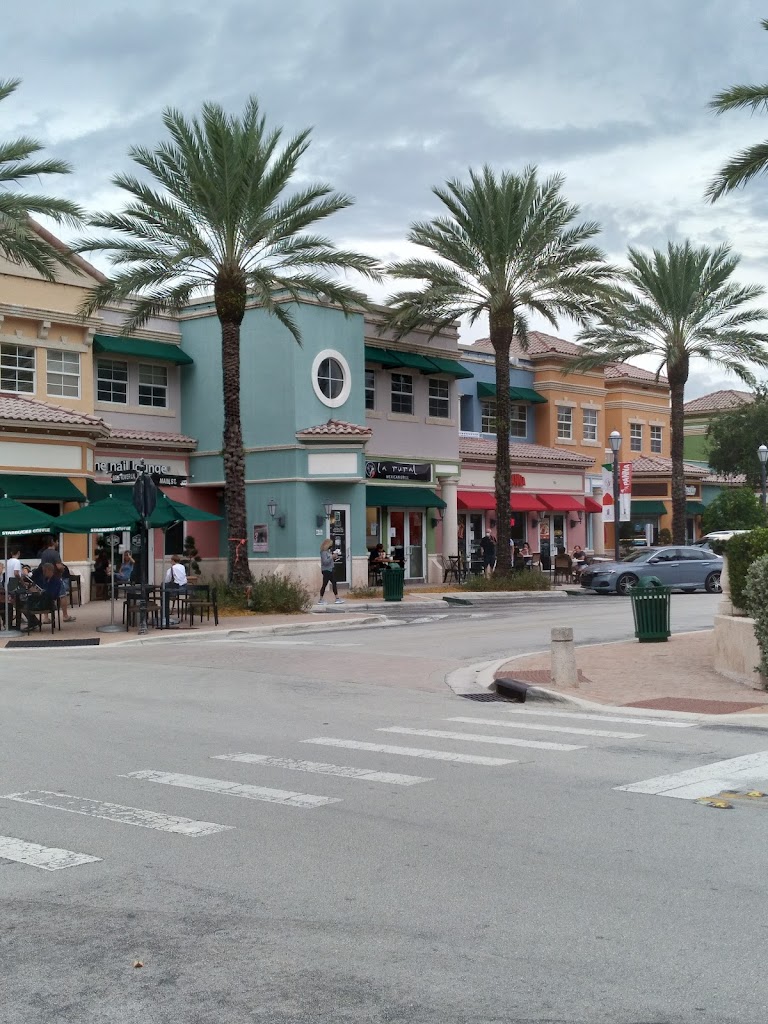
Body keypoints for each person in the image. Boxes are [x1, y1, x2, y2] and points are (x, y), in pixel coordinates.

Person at [37, 537, 76, 621]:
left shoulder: (44, 553)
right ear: (53, 542)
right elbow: (59, 566)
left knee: (46, 596)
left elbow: (42, 566)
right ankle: (65, 616)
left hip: (45, 578)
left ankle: (46, 617)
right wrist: (62, 569)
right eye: (57, 541)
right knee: (62, 595)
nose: (58, 543)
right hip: (56, 577)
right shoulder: (55, 553)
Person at [163, 553, 188, 625]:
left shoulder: (172, 569)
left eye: (171, 560)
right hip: (184, 587)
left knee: (164, 587)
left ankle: (165, 608)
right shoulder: (182, 567)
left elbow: (167, 579)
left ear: (173, 561)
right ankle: (171, 596)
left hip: (176, 587)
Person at [319, 538, 343, 605]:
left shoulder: (328, 552)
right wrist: (332, 557)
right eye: (330, 545)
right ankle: (320, 599)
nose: (331, 546)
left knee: (334, 583)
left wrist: (334, 557)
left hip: (331, 569)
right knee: (324, 584)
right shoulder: (323, 552)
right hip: (326, 570)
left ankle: (337, 598)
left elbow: (330, 560)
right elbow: (325, 562)